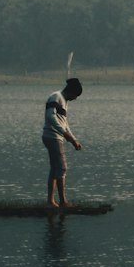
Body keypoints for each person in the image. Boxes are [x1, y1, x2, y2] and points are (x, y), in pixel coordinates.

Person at [42, 77, 83, 208]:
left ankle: (51, 201)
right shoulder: (56, 97)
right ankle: (63, 201)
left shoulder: (64, 101)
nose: (75, 98)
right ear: (70, 91)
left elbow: (64, 123)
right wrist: (64, 134)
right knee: (62, 167)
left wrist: (73, 139)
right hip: (52, 136)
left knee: (55, 169)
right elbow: (50, 116)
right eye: (75, 95)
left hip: (56, 136)